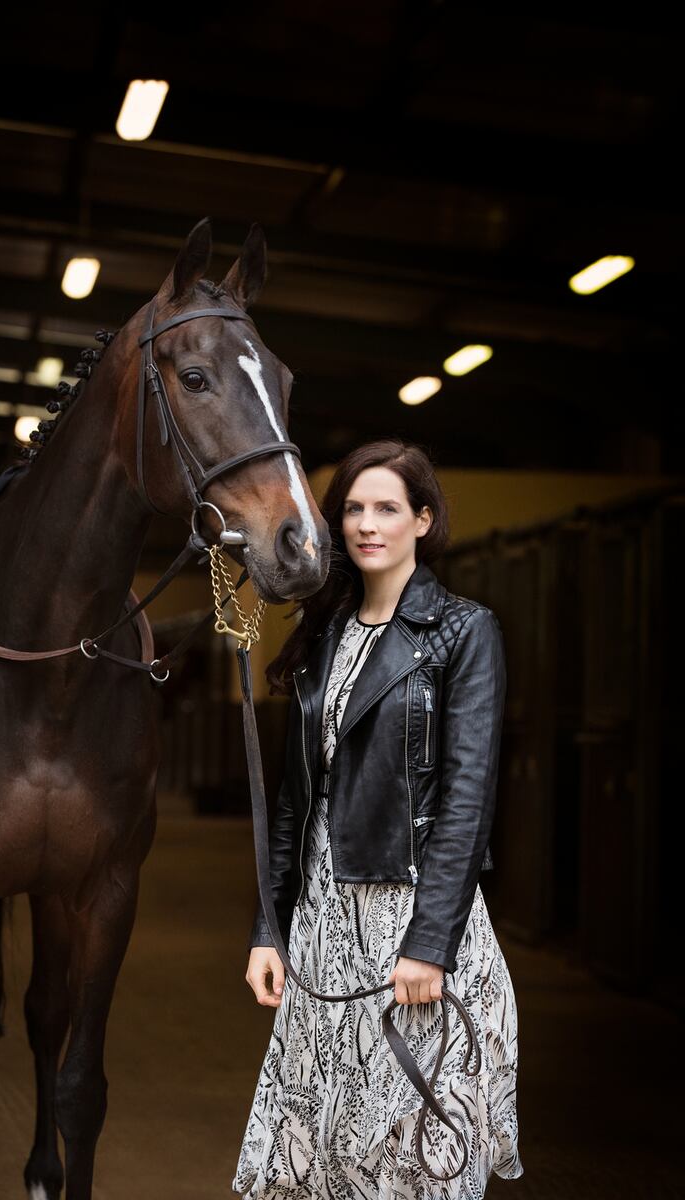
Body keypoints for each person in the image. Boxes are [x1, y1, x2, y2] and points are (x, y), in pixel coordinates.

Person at [231, 438, 524, 1200]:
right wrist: (271, 926)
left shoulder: (463, 632)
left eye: (387, 508)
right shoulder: (322, 635)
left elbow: (467, 801)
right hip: (323, 932)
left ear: (422, 520)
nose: (367, 523)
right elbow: (296, 799)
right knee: (325, 1157)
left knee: (418, 1158)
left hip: (415, 931)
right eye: (353, 509)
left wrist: (430, 946)